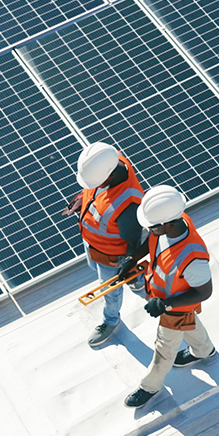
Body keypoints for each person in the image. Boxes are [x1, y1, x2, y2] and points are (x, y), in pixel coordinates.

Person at [118, 185, 217, 409]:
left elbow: (204, 292)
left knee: (164, 348)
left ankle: (149, 386)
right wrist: (132, 259)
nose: (149, 230)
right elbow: (153, 242)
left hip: (174, 306)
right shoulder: (172, 222)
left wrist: (166, 304)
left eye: (152, 227)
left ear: (168, 223)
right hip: (163, 295)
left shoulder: (193, 258)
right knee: (190, 324)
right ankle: (204, 351)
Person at [67, 142, 145, 347]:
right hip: (93, 244)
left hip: (112, 257)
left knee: (110, 291)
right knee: (95, 267)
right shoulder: (107, 160)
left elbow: (133, 241)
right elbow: (94, 192)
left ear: (109, 176)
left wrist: (127, 264)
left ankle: (111, 320)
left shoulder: (128, 204)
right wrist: (80, 199)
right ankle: (137, 280)